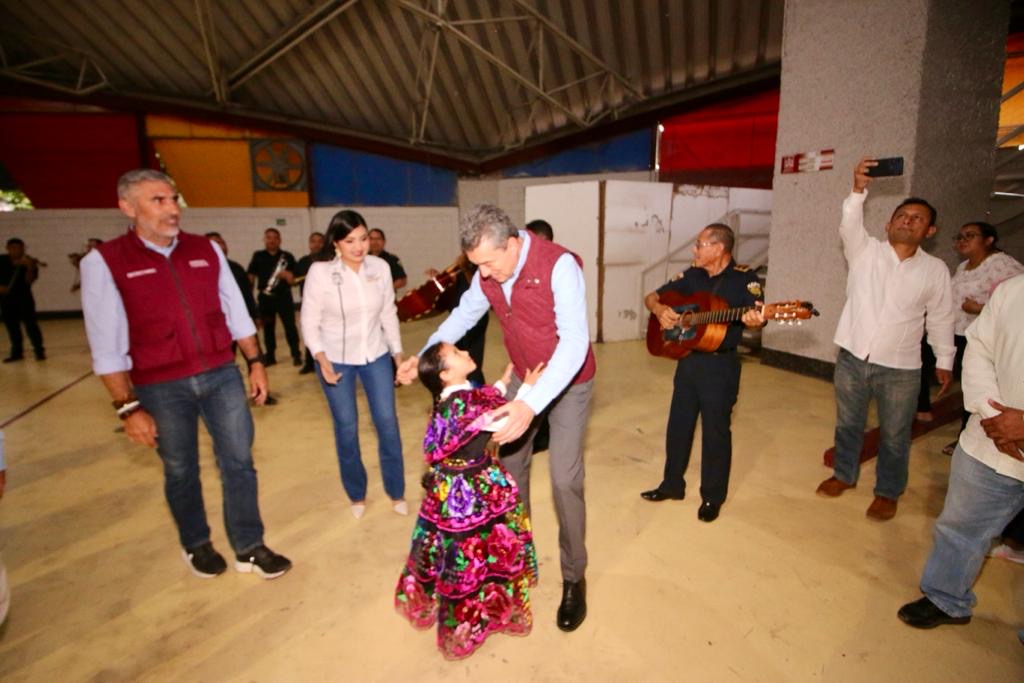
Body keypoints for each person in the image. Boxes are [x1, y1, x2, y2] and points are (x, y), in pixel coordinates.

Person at [80, 169, 291, 579]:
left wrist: (256, 362)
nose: (172, 209)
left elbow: (236, 311)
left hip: (220, 373)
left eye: (173, 199)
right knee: (180, 468)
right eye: (157, 200)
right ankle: (196, 543)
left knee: (239, 462)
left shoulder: (205, 250)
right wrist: (127, 408)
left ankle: (249, 546)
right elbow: (105, 345)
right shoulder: (104, 262)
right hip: (160, 385)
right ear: (127, 207)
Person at [396, 204, 596, 633]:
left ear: (512, 243)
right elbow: (463, 316)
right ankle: (516, 561)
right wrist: (425, 358)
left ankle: (574, 577)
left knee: (564, 479)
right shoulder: (488, 272)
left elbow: (576, 340)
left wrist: (530, 403)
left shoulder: (559, 265)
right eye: (476, 266)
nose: (484, 274)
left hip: (569, 382)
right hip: (525, 376)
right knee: (507, 474)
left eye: (488, 263)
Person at [816, 159, 956, 521]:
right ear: (887, 223)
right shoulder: (865, 252)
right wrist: (859, 189)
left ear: (930, 230)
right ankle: (843, 475)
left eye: (917, 218)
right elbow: (849, 223)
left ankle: (887, 492)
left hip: (901, 368)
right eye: (902, 215)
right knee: (848, 424)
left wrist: (944, 360)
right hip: (851, 357)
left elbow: (941, 317)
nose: (908, 220)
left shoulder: (935, 270)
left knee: (895, 435)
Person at [395, 343, 543, 659]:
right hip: (472, 489)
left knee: (454, 547)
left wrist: (503, 384)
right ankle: (477, 615)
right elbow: (500, 423)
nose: (464, 351)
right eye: (457, 353)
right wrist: (527, 392)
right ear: (446, 373)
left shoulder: (451, 397)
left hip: (448, 490)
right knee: (478, 546)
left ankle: (455, 596)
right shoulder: (463, 406)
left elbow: (482, 400)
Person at [897, 274, 1024, 631]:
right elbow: (979, 350)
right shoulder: (1014, 291)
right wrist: (992, 411)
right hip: (989, 440)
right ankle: (945, 598)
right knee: (960, 528)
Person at [640, 223, 766, 522]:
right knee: (678, 426)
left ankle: (712, 497)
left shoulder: (744, 280)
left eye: (699, 245)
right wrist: (660, 310)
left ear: (719, 248)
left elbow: (756, 317)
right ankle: (672, 485)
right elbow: (652, 297)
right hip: (688, 359)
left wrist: (755, 320)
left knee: (716, 433)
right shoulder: (693, 275)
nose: (694, 250)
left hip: (720, 366)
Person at [300, 210, 406, 518]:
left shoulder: (380, 268)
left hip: (375, 356)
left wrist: (397, 353)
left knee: (387, 422)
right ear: (336, 243)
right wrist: (320, 358)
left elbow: (388, 312)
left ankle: (396, 491)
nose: (359, 247)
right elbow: (309, 320)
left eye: (363, 239)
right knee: (346, 428)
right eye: (350, 241)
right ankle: (357, 495)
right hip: (336, 360)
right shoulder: (320, 273)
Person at [935, 222, 1023, 454]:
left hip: (981, 336)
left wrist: (980, 308)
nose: (962, 240)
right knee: (967, 383)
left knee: (976, 387)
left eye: (970, 236)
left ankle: (968, 436)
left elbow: (1014, 304)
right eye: (960, 236)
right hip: (957, 332)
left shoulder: (1004, 265)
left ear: (989, 240)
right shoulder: (963, 266)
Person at [247, 228, 301, 367]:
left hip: (284, 298)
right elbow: (251, 276)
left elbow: (295, 279)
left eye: (275, 237)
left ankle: (296, 355)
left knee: (290, 327)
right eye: (269, 237)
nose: (272, 240)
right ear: (264, 239)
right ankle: (270, 356)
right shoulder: (258, 256)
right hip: (265, 299)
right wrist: (248, 298)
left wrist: (289, 275)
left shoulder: (287, 256)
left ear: (280, 240)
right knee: (268, 329)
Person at [0, 237, 46, 362]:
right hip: (6, 299)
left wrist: (30, 267)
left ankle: (39, 351)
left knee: (31, 324)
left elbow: (29, 281)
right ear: (8, 249)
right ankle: (17, 352)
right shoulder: (1, 261)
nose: (17, 251)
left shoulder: (28, 261)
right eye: (13, 248)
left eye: (20, 248)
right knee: (12, 326)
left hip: (24, 297)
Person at [293, 231, 326, 375]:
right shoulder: (303, 262)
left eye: (320, 241)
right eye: (314, 241)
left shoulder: (330, 260)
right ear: (309, 244)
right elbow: (294, 280)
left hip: (327, 303)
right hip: (309, 304)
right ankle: (309, 363)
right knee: (309, 332)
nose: (317, 244)